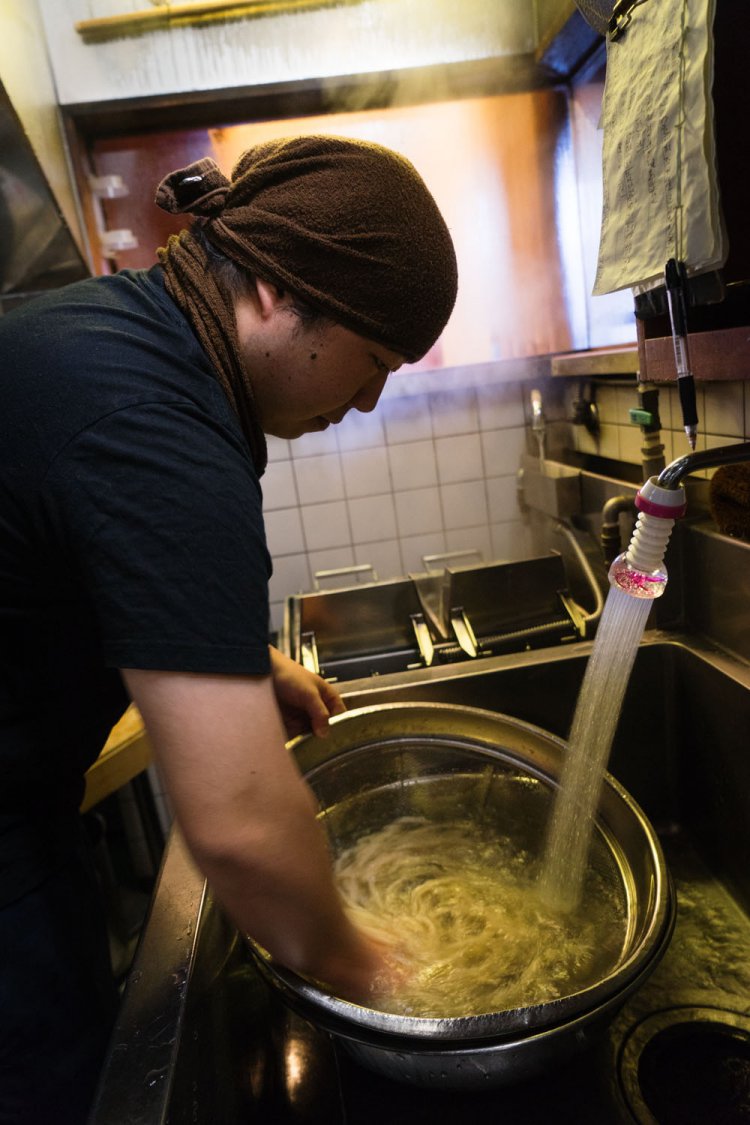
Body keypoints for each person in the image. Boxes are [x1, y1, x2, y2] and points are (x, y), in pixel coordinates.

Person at [0, 134, 458, 1124]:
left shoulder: (111, 336)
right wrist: (379, 973)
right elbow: (243, 827)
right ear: (274, 293)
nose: (370, 396)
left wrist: (237, 662)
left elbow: (68, 549)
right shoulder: (159, 428)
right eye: (372, 359)